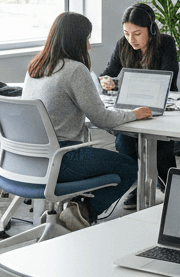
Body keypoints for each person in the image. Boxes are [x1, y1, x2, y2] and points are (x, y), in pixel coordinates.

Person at [24, 12, 148, 221]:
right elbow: (102, 119)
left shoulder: (36, 66)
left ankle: (73, 210)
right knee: (129, 167)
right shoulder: (74, 70)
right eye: (87, 39)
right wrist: (134, 114)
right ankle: (81, 214)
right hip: (61, 158)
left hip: (29, 159)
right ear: (76, 40)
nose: (89, 46)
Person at [98, 2, 179, 207]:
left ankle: (171, 187)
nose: (131, 39)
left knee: (159, 144)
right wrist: (106, 81)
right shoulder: (122, 45)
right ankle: (136, 185)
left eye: (137, 33)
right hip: (131, 109)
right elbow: (108, 71)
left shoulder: (165, 43)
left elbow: (169, 77)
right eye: (126, 33)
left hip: (160, 108)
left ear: (151, 29)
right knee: (124, 141)